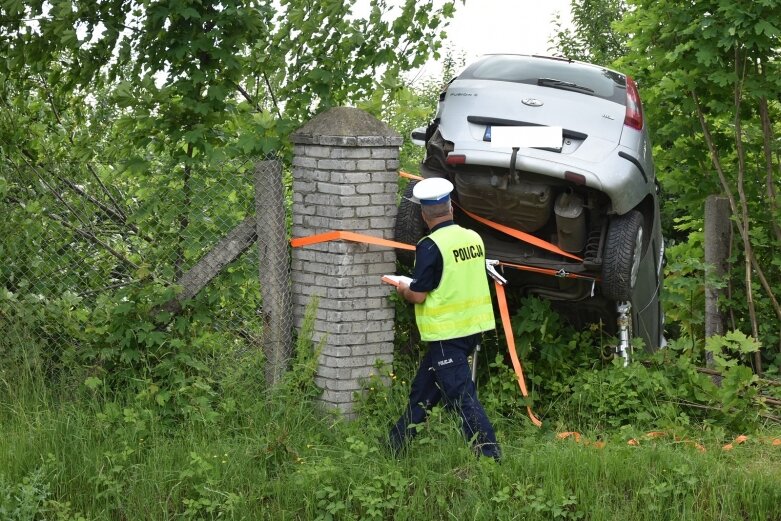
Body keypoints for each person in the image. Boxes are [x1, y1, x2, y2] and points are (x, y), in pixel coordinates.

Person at [388, 177, 500, 460]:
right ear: (450, 207)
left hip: (445, 334)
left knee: (462, 397)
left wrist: (403, 288)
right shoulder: (473, 238)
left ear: (425, 215)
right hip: (472, 328)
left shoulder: (429, 245)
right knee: (423, 391)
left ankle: (490, 457)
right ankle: (395, 445)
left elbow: (419, 294)